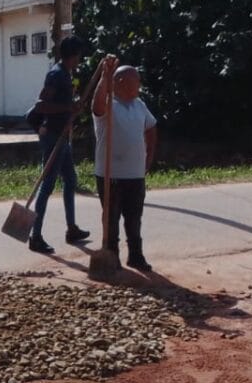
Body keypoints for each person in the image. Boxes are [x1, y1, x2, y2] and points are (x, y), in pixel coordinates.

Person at [91, 55, 158, 271]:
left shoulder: (139, 105)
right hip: (111, 174)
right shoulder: (109, 104)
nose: (138, 85)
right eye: (135, 80)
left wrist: (149, 155)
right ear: (120, 82)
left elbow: (151, 127)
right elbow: (97, 104)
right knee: (111, 218)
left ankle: (136, 256)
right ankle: (111, 257)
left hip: (135, 174)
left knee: (134, 218)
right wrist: (105, 76)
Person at [28, 35, 92, 254]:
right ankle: (35, 236)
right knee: (47, 186)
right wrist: (68, 109)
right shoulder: (56, 75)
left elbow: (60, 104)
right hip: (54, 137)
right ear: (72, 56)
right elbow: (41, 105)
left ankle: (71, 228)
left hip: (63, 136)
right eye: (78, 56)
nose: (79, 60)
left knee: (71, 180)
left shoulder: (65, 74)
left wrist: (71, 107)